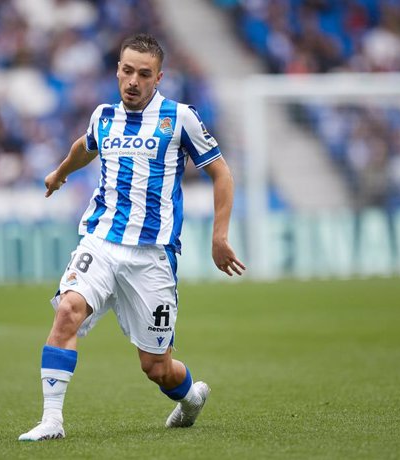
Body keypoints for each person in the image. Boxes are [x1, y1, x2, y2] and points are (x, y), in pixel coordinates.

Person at [18, 33, 245, 442]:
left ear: (159, 77)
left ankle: (190, 396)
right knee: (68, 309)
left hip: (152, 255)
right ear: (117, 71)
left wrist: (219, 235)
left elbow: (221, 172)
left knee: (156, 366)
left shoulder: (180, 118)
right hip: (100, 240)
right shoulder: (103, 116)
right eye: (127, 71)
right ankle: (52, 420)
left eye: (144, 74)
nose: (133, 81)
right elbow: (85, 147)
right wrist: (61, 173)